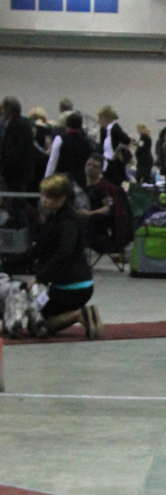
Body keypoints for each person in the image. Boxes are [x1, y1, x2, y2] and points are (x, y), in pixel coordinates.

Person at [10, 174, 102, 339]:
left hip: (72, 286)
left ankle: (79, 315)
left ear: (62, 198)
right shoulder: (55, 217)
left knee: (36, 326)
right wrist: (7, 264)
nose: (43, 200)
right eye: (43, 195)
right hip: (68, 284)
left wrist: (40, 278)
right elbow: (38, 249)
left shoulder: (68, 221)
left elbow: (64, 254)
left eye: (49, 196)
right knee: (37, 318)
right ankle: (81, 314)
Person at [45, 111, 92, 189]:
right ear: (80, 125)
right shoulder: (87, 142)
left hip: (62, 179)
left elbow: (53, 161)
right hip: (80, 180)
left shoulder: (60, 139)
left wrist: (47, 179)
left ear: (66, 124)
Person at [0, 96, 34, 192]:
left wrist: (3, 171)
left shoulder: (14, 126)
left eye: (2, 109)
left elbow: (13, 152)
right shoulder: (25, 124)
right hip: (23, 172)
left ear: (8, 110)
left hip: (15, 174)